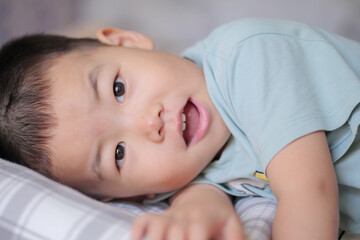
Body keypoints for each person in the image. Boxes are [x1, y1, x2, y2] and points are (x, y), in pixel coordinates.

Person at [1, 18, 360, 239]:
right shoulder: (187, 165)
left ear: (127, 42)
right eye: (118, 154)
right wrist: (197, 207)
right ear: (129, 197)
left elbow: (308, 191)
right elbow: (204, 186)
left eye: (118, 89)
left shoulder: (248, 56)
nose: (148, 123)